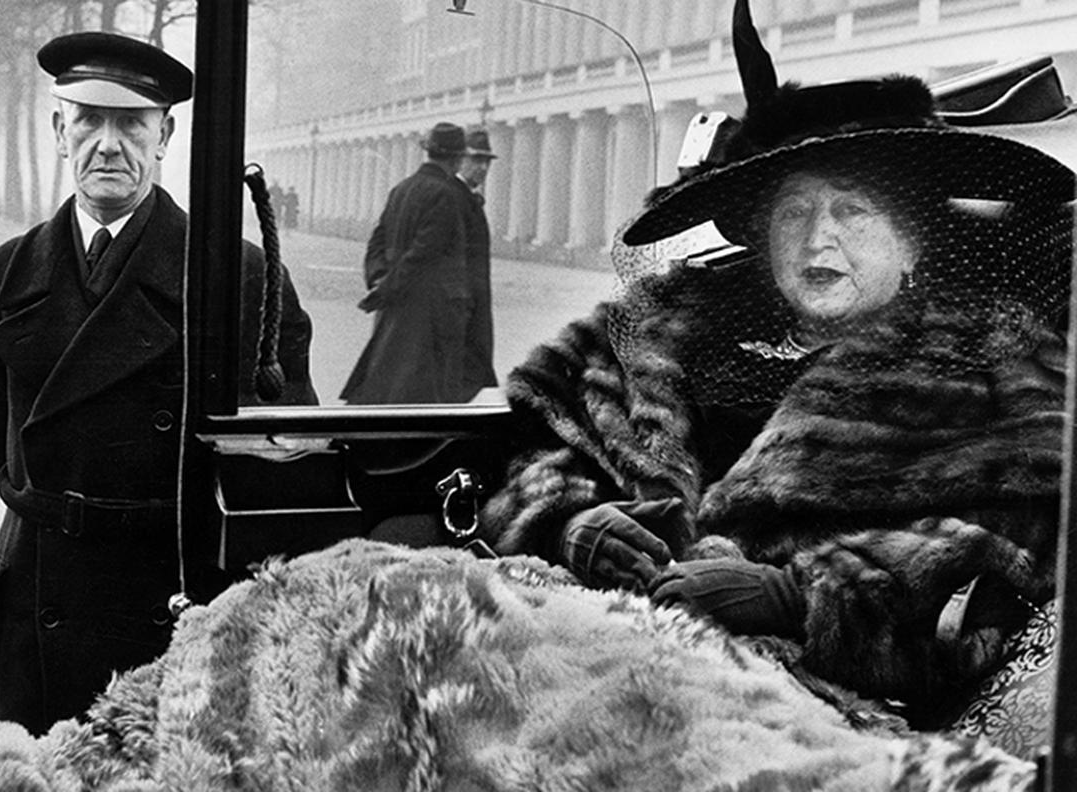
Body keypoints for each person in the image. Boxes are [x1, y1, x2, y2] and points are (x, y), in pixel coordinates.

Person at [481, 0, 1074, 734]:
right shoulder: (660, 335)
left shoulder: (992, 359)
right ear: (762, 236)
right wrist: (571, 524)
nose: (818, 238)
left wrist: (795, 597)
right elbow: (539, 455)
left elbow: (1017, 556)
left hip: (818, 708)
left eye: (853, 211)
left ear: (915, 241)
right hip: (601, 647)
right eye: (794, 214)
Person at [0, 30, 318, 735]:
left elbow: (284, 466)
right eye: (89, 120)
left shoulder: (236, 281)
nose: (108, 143)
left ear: (166, 136)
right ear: (61, 130)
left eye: (131, 123)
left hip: (168, 611)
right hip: (36, 606)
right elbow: (4, 451)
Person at [340, 121, 471, 404]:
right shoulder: (446, 195)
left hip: (393, 306)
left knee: (385, 380)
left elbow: (376, 242)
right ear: (457, 159)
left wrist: (378, 279)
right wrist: (387, 288)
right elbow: (423, 254)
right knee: (418, 391)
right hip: (427, 309)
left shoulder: (401, 189)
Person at [455, 127, 498, 401]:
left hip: (475, 302)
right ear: (459, 159)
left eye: (486, 162)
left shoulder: (468, 197)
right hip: (463, 304)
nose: (482, 168)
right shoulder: (453, 197)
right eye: (476, 160)